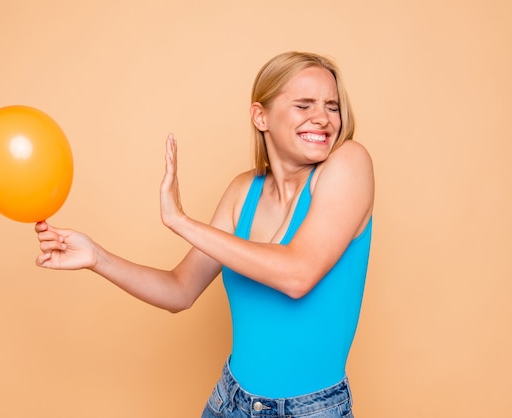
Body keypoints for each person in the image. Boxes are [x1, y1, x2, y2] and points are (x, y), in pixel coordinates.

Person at [35, 51, 374, 418]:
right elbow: (180, 290)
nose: (322, 118)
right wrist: (97, 258)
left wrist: (182, 221)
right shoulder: (243, 191)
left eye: (332, 106)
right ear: (261, 116)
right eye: (303, 105)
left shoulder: (349, 164)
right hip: (231, 403)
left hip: (312, 411)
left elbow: (297, 275)